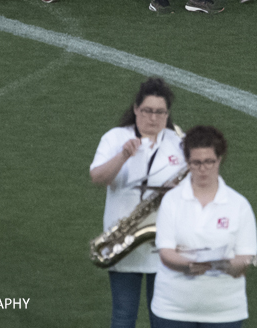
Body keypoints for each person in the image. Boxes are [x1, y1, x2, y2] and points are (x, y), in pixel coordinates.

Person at [90, 78, 187, 328]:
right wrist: (123, 155)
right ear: (136, 109)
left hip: (165, 244)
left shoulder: (179, 142)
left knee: (163, 319)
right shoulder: (115, 138)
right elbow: (97, 178)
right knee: (124, 316)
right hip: (124, 241)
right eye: (147, 111)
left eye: (160, 112)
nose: (153, 118)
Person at [151, 125, 257, 328]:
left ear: (220, 160)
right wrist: (187, 266)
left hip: (224, 313)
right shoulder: (172, 201)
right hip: (173, 310)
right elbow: (165, 252)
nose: (203, 169)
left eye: (209, 162)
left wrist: (231, 266)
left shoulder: (239, 205)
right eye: (196, 163)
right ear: (188, 162)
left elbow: (246, 256)